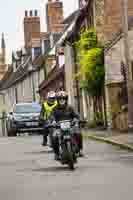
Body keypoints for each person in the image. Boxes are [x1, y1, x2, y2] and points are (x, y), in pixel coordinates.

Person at [49, 90, 83, 160]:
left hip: (71, 126)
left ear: (66, 99)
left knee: (78, 133)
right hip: (58, 128)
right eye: (60, 99)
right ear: (58, 100)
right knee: (54, 137)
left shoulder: (70, 107)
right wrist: (53, 121)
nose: (62, 100)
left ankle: (79, 150)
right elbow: (51, 116)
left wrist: (77, 119)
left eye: (63, 98)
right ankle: (57, 153)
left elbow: (76, 115)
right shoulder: (54, 109)